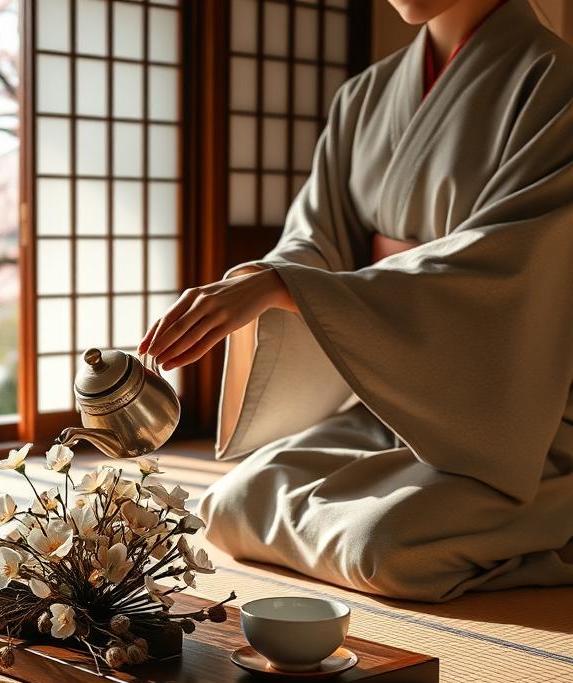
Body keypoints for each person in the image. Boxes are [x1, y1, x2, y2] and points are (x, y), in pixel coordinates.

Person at [139, 0, 573, 602]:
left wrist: (291, 289)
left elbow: (510, 262)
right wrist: (272, 278)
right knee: (234, 504)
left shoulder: (554, 81)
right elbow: (315, 240)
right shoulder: (365, 97)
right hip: (392, 395)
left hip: (514, 414)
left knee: (382, 546)